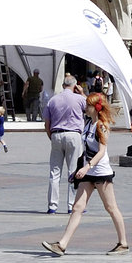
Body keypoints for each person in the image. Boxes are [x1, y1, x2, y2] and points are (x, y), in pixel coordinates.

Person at [41, 91, 130, 257]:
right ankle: (62, 245)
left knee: (111, 208)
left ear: (96, 108)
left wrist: (87, 167)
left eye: (88, 105)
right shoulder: (88, 124)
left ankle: (123, 243)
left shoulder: (102, 125)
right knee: (77, 208)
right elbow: (85, 150)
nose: (85, 108)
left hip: (101, 172)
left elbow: (102, 151)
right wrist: (77, 170)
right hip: (87, 172)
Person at [44, 74, 87, 214]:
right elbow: (92, 108)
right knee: (73, 171)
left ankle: (52, 206)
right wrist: (82, 93)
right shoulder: (80, 99)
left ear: (63, 85)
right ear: (74, 86)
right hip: (74, 134)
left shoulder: (53, 100)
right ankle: (72, 205)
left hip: (56, 134)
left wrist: (52, 136)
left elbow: (47, 123)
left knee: (54, 172)